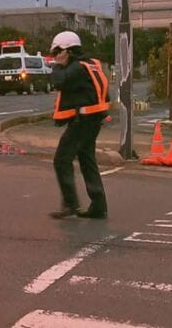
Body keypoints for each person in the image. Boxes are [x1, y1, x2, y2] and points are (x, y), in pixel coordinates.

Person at [48, 31, 110, 220]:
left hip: (81, 122)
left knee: (61, 160)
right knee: (86, 159)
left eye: (58, 51)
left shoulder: (77, 68)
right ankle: (98, 206)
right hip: (91, 121)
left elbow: (58, 81)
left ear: (68, 51)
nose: (56, 56)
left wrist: (56, 67)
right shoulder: (90, 63)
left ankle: (70, 205)